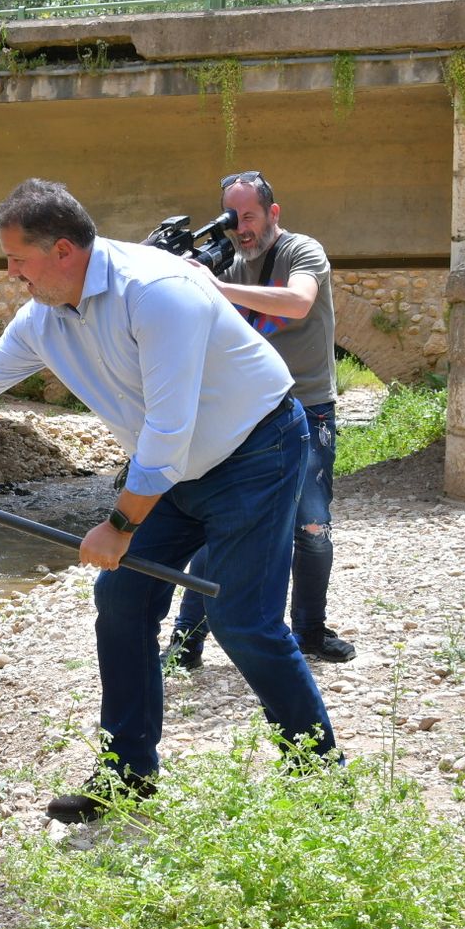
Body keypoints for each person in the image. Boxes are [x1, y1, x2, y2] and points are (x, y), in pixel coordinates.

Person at [0, 178, 339, 822]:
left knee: (243, 621)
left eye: (16, 259)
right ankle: (127, 774)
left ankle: (318, 778)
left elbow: (170, 429)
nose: (10, 274)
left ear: (62, 250)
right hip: (171, 462)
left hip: (256, 450)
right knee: (121, 599)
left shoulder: (159, 292)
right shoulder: (43, 319)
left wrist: (118, 524)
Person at [163, 171, 355, 671]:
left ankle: (310, 631)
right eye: (233, 219)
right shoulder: (226, 262)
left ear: (274, 213)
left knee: (311, 527)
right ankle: (187, 642)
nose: (241, 228)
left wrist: (216, 287)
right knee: (223, 523)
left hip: (308, 407)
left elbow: (298, 302)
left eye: (249, 216)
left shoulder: (301, 252)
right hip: (246, 412)